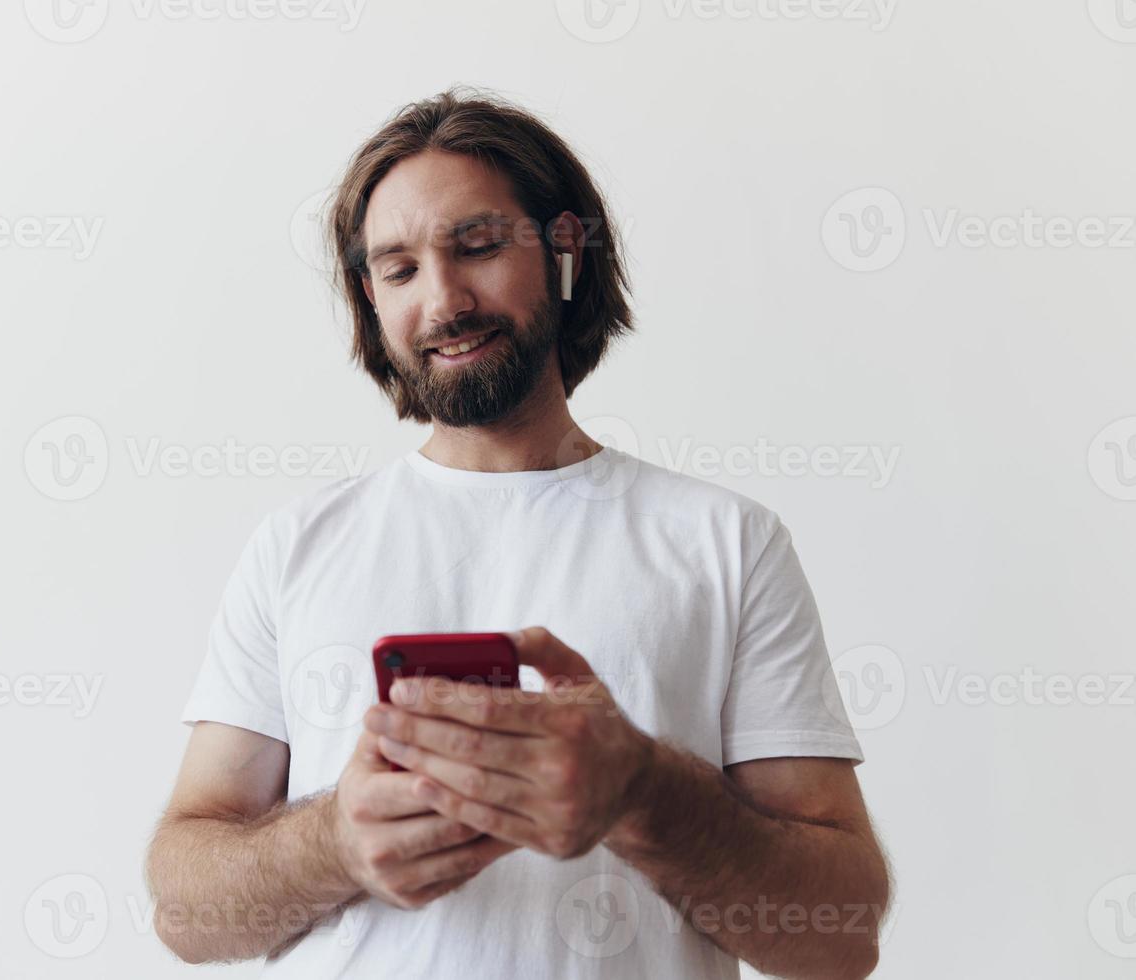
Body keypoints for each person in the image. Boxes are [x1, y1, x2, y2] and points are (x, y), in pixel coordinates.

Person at [145, 86, 891, 980]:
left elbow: (840, 937)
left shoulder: (727, 543)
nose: (445, 298)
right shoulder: (296, 545)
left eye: (479, 246)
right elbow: (185, 915)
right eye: (400, 268)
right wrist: (333, 846)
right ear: (371, 299)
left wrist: (644, 793)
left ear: (566, 250)